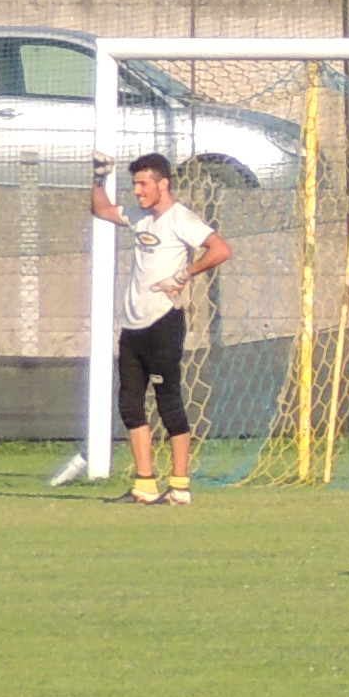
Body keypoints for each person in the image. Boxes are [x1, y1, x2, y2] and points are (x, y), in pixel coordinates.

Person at [93, 154, 231, 506]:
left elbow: (220, 249)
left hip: (164, 321)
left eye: (143, 184)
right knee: (129, 404)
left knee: (168, 401)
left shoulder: (179, 219)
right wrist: (97, 179)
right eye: (135, 184)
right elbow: (102, 210)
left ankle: (180, 486)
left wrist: (184, 274)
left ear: (162, 184)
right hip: (132, 324)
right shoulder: (139, 216)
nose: (137, 191)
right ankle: (144, 485)